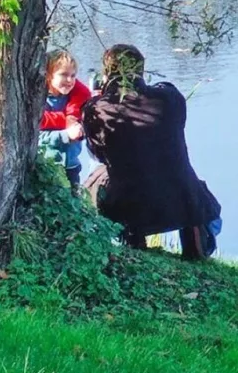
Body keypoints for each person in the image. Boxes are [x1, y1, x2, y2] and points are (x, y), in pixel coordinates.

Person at [81, 43, 222, 260]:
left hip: (129, 202)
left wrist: (99, 98)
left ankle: (132, 242)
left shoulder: (96, 109)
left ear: (107, 72)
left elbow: (98, 154)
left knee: (94, 181)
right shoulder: (171, 99)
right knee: (186, 184)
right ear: (141, 70)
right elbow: (169, 100)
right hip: (184, 198)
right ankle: (197, 243)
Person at [40, 49, 94, 190]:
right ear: (48, 75)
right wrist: (66, 135)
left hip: (73, 165)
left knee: (74, 202)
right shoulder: (40, 102)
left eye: (73, 75)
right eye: (63, 75)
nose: (70, 80)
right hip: (48, 166)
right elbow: (36, 138)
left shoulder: (76, 99)